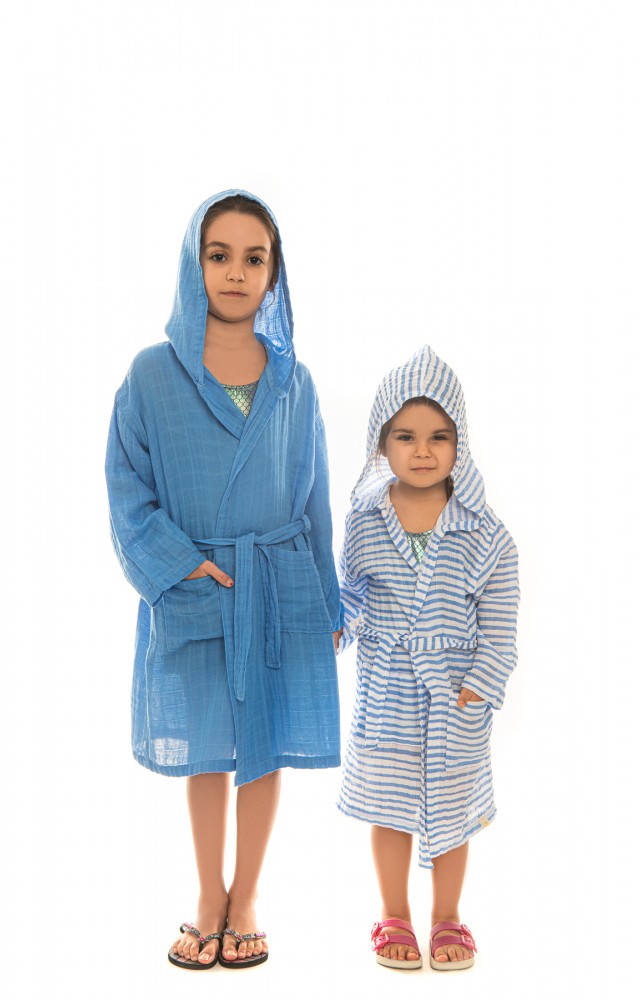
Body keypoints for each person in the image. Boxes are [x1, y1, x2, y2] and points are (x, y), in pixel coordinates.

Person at [105, 190, 342, 971]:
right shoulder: (151, 374)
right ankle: (209, 895)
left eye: (253, 258)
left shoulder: (295, 380)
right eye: (219, 255)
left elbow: (313, 494)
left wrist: (327, 595)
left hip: (276, 581)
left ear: (274, 275)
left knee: (266, 742)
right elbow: (127, 490)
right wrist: (180, 564)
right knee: (207, 745)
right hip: (199, 581)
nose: (236, 273)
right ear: (193, 263)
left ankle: (248, 897)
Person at [337, 345, 519, 971]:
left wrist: (482, 683)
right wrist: (339, 628)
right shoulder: (364, 520)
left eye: (439, 436)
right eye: (406, 436)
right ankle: (394, 913)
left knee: (453, 808)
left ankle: (447, 916)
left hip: (454, 691)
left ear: (459, 443)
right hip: (387, 685)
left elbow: (501, 619)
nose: (422, 451)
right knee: (388, 805)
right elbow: (352, 593)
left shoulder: (483, 530)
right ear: (380, 443)